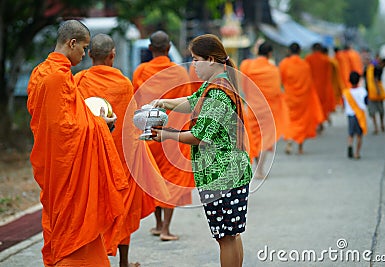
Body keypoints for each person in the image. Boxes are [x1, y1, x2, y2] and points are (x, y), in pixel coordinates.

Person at [27, 20, 127, 267]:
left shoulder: (41, 72)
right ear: (72, 43)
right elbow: (66, 132)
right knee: (72, 229)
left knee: (67, 226)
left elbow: (66, 120)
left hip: (54, 164)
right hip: (65, 169)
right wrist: (102, 126)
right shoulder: (56, 79)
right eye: (83, 48)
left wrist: (93, 121)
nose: (84, 54)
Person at [151, 34, 252, 267]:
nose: (193, 65)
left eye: (196, 60)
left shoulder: (218, 92)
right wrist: (165, 103)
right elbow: (193, 101)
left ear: (210, 59)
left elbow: (197, 136)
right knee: (231, 235)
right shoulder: (215, 84)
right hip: (230, 172)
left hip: (221, 175)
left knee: (225, 237)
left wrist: (165, 134)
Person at [75, 33, 166, 267]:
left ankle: (95, 258)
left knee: (93, 209)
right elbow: (130, 126)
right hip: (119, 161)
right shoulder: (124, 84)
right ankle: (123, 262)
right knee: (121, 211)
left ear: (90, 55)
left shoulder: (79, 81)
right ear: (112, 56)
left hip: (90, 158)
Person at [132, 30, 194, 241]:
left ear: (150, 48)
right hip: (171, 136)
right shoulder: (179, 73)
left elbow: (136, 102)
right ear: (168, 49)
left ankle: (158, 225)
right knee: (172, 180)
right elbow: (187, 106)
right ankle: (166, 228)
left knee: (154, 179)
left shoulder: (140, 71)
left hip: (149, 134)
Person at [239, 41, 288, 179]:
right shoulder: (273, 70)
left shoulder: (246, 65)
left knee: (253, 138)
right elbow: (276, 91)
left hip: (252, 108)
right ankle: (260, 169)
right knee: (265, 139)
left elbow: (244, 85)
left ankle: (254, 166)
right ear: (270, 54)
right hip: (267, 110)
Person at [279, 42, 324, 155]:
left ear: (289, 51)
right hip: (303, 98)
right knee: (302, 121)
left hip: (289, 97)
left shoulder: (284, 64)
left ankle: (289, 141)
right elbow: (309, 82)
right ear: (299, 52)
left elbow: (281, 80)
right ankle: (300, 146)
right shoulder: (305, 65)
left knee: (290, 120)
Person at [305, 43, 335, 130]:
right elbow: (329, 75)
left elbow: (306, 73)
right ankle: (321, 121)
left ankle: (316, 122)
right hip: (323, 87)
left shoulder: (308, 59)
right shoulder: (326, 59)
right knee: (322, 106)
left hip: (312, 86)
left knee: (313, 105)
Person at [342, 71, 368, 159]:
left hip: (350, 115)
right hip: (359, 115)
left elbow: (344, 104)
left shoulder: (346, 92)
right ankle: (357, 153)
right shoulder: (362, 91)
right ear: (359, 80)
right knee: (359, 135)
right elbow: (366, 102)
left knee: (350, 133)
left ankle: (350, 145)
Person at [364, 58, 385, 134]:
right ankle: (381, 125)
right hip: (377, 93)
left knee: (373, 111)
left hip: (371, 93)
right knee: (380, 110)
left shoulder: (369, 69)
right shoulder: (378, 69)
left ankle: (377, 127)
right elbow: (376, 79)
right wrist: (378, 90)